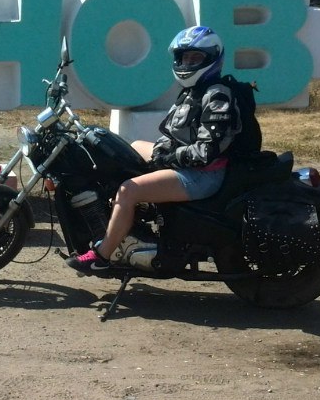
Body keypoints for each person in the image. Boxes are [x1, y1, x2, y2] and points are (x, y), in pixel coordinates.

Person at [66, 25, 240, 276]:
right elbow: (175, 135)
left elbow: (205, 152)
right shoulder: (194, 91)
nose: (187, 63)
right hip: (189, 166)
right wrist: (163, 151)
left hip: (203, 175)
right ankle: (131, 219)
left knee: (128, 190)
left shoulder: (217, 96)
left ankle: (101, 256)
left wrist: (168, 157)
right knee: (132, 149)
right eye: (184, 58)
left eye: (195, 58)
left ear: (212, 58)